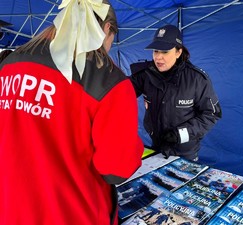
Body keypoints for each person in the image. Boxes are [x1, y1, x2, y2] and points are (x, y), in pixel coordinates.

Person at [0, 0, 143, 224]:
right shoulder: (108, 80)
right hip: (72, 212)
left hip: (11, 208)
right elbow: (116, 169)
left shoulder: (10, 63)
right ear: (107, 29)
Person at [130, 24, 222, 161]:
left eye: (165, 52)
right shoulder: (145, 75)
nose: (158, 57)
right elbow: (121, 91)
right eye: (156, 51)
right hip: (157, 148)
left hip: (185, 155)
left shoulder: (196, 79)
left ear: (178, 52)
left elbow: (212, 114)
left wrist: (180, 134)